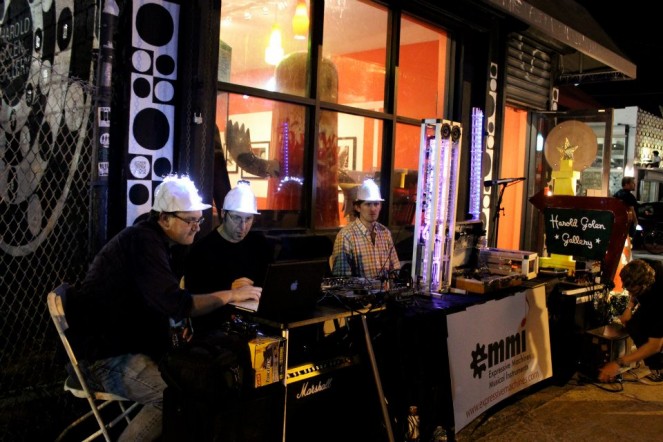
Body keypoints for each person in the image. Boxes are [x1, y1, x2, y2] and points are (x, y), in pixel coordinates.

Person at [66, 175, 261, 441]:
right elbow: (178, 304)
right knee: (172, 397)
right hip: (102, 359)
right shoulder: (143, 242)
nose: (196, 226)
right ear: (164, 218)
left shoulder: (159, 241)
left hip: (124, 347)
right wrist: (231, 294)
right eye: (190, 220)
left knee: (198, 380)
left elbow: (164, 307)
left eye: (199, 219)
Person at [185, 180, 273, 328]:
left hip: (257, 319)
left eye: (248, 219)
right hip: (217, 326)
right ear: (223, 214)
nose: (243, 226)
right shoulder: (201, 250)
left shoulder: (259, 244)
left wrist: (253, 288)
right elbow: (193, 301)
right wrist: (230, 290)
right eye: (237, 218)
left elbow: (272, 282)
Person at [599, 259, 663, 383]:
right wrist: (629, 307)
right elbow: (633, 287)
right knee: (633, 324)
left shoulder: (659, 302)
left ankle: (659, 368)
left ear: (645, 286)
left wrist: (618, 363)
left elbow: (654, 345)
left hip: (659, 303)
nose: (629, 292)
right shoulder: (644, 266)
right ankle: (655, 364)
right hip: (651, 297)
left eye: (633, 291)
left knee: (654, 338)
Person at [330, 178, 400, 279]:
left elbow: (395, 268)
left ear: (380, 206)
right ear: (358, 207)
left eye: (376, 204)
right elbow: (342, 278)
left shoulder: (385, 233)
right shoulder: (346, 235)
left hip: (385, 293)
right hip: (360, 293)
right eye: (368, 204)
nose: (373, 209)